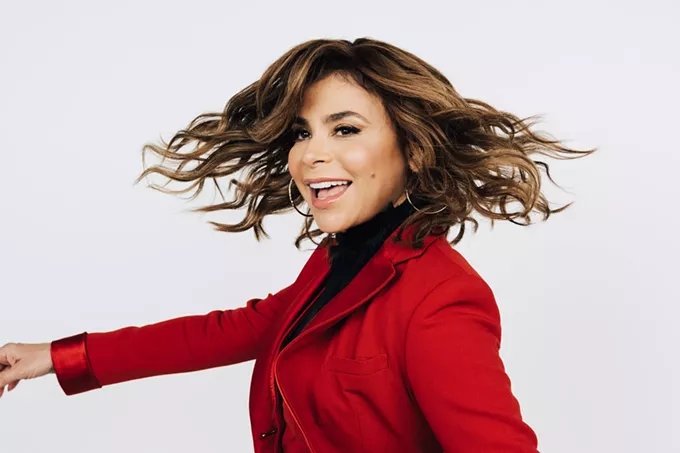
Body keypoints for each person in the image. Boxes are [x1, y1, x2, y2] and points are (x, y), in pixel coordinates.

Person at [0, 37, 594, 452]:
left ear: (414, 150)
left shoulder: (440, 298)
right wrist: (55, 356)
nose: (311, 154)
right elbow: (231, 330)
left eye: (345, 129)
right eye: (301, 133)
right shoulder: (338, 263)